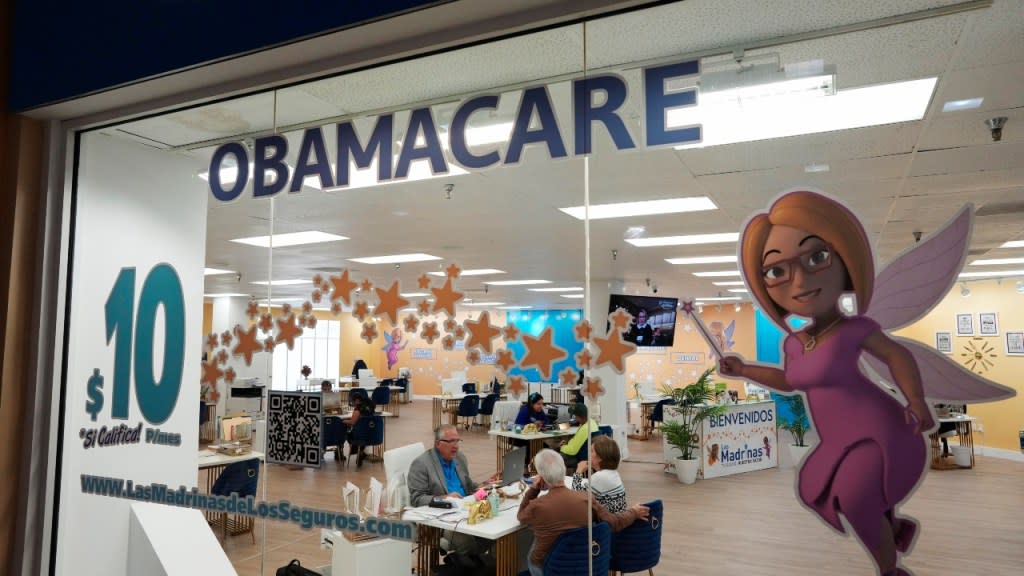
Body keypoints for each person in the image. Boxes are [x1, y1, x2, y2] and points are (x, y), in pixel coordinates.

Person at [718, 190, 937, 576]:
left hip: (880, 431)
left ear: (845, 258)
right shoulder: (796, 342)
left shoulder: (854, 329)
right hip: (838, 440)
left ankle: (890, 569)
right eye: (776, 270)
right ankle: (893, 527)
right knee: (814, 489)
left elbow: (896, 355)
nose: (799, 281)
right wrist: (744, 370)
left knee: (854, 497)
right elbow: (789, 381)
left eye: (817, 257)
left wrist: (916, 399)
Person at [518, 448, 649, 576]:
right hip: (585, 566)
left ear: (541, 476)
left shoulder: (537, 506)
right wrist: (634, 512)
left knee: (534, 547)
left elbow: (521, 516)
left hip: (549, 568)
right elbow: (614, 522)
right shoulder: (586, 498)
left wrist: (534, 490)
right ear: (563, 469)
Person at [408, 425, 497, 555]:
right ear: (438, 444)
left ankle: (477, 564)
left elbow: (469, 485)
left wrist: (486, 485)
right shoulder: (421, 464)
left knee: (495, 532)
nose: (456, 446)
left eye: (458, 441)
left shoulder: (460, 458)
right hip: (443, 520)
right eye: (451, 441)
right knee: (466, 541)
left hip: (466, 511)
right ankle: (469, 564)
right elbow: (416, 499)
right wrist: (445, 497)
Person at [570, 435, 626, 512]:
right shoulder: (613, 473)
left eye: (592, 451)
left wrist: (579, 470)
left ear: (600, 457)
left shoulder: (600, 477)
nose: (588, 454)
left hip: (606, 522)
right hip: (616, 519)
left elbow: (575, 497)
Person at [552, 403, 598, 470]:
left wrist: (561, 447)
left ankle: (555, 478)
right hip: (585, 457)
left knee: (553, 460)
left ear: (579, 417)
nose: (575, 418)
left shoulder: (585, 428)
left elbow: (573, 451)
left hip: (579, 458)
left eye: (575, 416)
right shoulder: (592, 423)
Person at [342, 392, 375, 467]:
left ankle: (358, 452)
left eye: (352, 402)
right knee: (359, 433)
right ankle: (361, 453)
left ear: (356, 400)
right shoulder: (369, 406)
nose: (352, 403)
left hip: (360, 434)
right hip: (371, 432)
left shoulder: (357, 409)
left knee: (347, 433)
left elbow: (352, 422)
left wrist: (343, 421)